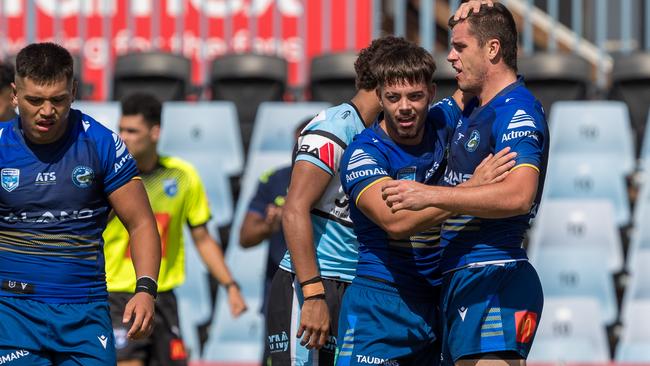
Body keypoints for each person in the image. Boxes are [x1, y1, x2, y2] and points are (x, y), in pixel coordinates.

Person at [382, 3, 549, 365]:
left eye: (460, 47)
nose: (451, 57)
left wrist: (429, 195)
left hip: (494, 275)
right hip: (462, 278)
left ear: (492, 49)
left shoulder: (515, 110)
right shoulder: (472, 107)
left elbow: (520, 195)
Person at [336, 39, 514, 366]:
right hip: (379, 306)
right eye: (393, 97)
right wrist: (471, 191)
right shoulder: (364, 153)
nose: (405, 106)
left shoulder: (441, 121)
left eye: (415, 96)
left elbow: (481, 79)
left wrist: (488, 24)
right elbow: (397, 223)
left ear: (430, 93)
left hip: (436, 304)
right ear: (379, 98)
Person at [0, 42, 160, 365]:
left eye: (57, 99)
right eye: (34, 100)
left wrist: (145, 289)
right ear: (15, 94)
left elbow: (141, 222)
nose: (47, 111)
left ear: (73, 91)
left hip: (85, 312)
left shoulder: (100, 144)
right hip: (12, 311)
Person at [266, 36, 411, 365]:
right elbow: (293, 210)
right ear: (388, 79)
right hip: (313, 285)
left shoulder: (376, 134)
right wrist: (313, 294)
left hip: (353, 287)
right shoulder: (334, 127)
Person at [104, 92, 247, 366]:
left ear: (155, 132)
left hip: (163, 296)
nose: (124, 137)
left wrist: (229, 285)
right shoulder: (110, 177)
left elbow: (202, 238)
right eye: (121, 129)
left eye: (133, 131)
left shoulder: (182, 176)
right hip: (118, 293)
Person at [240, 118, 309, 365]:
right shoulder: (275, 180)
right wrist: (271, 224)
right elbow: (245, 237)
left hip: (327, 287)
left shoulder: (341, 180)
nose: (303, 152)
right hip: (280, 291)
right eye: (298, 145)